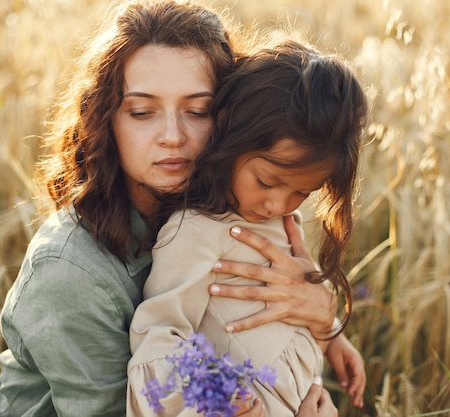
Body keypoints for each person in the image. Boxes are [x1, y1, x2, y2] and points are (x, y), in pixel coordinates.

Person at [0, 1, 363, 416]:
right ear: (105, 119)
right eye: (141, 112)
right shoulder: (70, 273)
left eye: (197, 110)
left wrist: (324, 317)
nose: (172, 136)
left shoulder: (239, 210)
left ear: (234, 116)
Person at [127, 39, 368, 417]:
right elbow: (159, 336)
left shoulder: (279, 220)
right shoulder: (196, 232)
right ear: (231, 132)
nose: (278, 205)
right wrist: (216, 408)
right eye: (266, 181)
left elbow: (295, 294)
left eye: (302, 192)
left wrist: (331, 334)